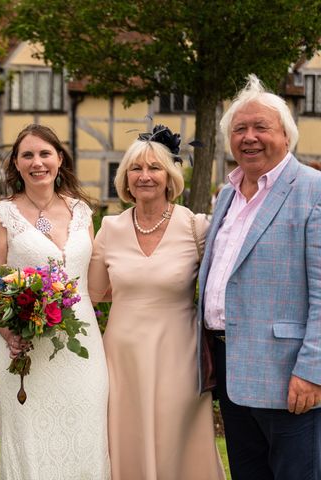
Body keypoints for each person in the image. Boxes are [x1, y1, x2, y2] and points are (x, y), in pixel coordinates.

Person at [199, 74, 321, 479]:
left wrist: (312, 371)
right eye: (239, 129)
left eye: (260, 127)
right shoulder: (228, 195)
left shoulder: (313, 190)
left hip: (290, 378)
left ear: (287, 135)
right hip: (231, 370)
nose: (249, 137)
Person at [88, 125, 224, 479]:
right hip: (123, 359)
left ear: (170, 177)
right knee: (126, 438)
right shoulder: (109, 229)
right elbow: (94, 294)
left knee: (176, 443)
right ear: (125, 179)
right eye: (136, 168)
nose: (144, 176)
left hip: (179, 356)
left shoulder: (196, 227)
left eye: (155, 168)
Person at [0, 124, 110, 479]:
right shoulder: (0, 214)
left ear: (59, 159)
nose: (37, 162)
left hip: (82, 349)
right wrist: (9, 333)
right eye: (28, 155)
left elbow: (92, 278)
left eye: (45, 154)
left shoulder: (82, 212)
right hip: (25, 350)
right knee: (31, 445)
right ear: (16, 164)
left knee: (85, 438)